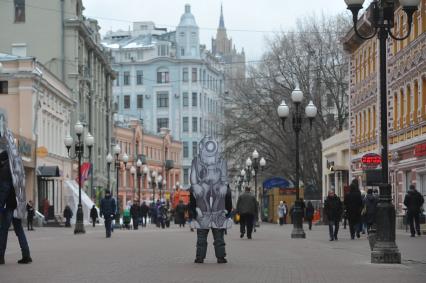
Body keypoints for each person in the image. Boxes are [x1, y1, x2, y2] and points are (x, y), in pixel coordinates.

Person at [189, 136, 232, 264]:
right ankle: (201, 256)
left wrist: (226, 210)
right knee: (203, 236)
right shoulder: (196, 161)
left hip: (218, 209)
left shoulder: (221, 162)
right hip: (202, 209)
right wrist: (196, 186)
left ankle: (219, 256)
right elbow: (193, 179)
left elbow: (225, 182)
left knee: (218, 237)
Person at [0, 111, 32, 264]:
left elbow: (4, 189)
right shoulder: (16, 166)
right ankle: (26, 255)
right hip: (17, 205)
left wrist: (0, 204)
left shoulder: (5, 169)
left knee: (3, 231)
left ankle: (0, 257)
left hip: (8, 206)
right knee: (19, 231)